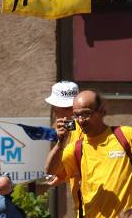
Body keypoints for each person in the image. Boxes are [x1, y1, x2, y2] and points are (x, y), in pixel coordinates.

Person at [45, 90, 132, 218]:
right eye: (76, 115)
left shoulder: (125, 136)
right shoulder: (76, 149)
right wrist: (60, 143)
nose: (80, 120)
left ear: (101, 111)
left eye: (86, 114)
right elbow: (50, 170)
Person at [44, 81, 82, 212]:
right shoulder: (70, 131)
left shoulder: (78, 130)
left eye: (54, 106)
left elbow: (50, 171)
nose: (53, 110)